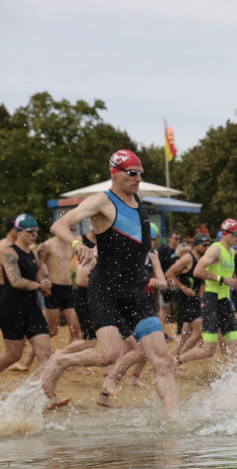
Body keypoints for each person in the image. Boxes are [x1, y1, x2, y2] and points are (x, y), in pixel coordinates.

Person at [40, 150, 179, 421]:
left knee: (163, 361)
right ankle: (61, 360)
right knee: (108, 354)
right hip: (105, 289)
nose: (138, 179)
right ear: (115, 173)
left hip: (135, 291)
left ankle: (176, 424)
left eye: (141, 173)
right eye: (132, 173)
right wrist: (77, 244)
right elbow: (60, 225)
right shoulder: (102, 201)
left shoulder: (138, 198)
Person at [177, 218, 237, 365]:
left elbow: (230, 275)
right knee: (208, 351)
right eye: (236, 233)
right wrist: (222, 279)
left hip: (225, 302)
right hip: (212, 301)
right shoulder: (215, 248)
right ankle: (176, 362)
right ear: (225, 233)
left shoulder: (231, 252)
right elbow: (197, 271)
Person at [0, 214, 54, 377]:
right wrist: (39, 286)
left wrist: (45, 285)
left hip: (32, 309)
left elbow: (38, 279)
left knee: (45, 353)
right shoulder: (9, 252)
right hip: (11, 309)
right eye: (30, 231)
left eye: (36, 231)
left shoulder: (33, 255)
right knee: (13, 356)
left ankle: (42, 391)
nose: (34, 235)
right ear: (19, 231)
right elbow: (16, 281)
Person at [164, 233, 210, 355]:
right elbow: (169, 273)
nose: (207, 247)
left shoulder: (202, 259)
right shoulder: (188, 258)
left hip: (195, 298)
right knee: (199, 331)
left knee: (186, 333)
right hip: (185, 298)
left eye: (208, 245)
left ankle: (176, 355)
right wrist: (183, 288)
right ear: (196, 245)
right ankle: (180, 358)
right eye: (204, 245)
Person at [37, 228, 81, 340]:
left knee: (75, 328)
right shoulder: (48, 245)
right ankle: (35, 349)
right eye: (70, 230)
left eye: (73, 230)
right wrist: (42, 283)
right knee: (53, 330)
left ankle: (69, 351)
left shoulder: (71, 245)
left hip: (68, 288)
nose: (72, 232)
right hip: (53, 289)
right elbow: (36, 266)